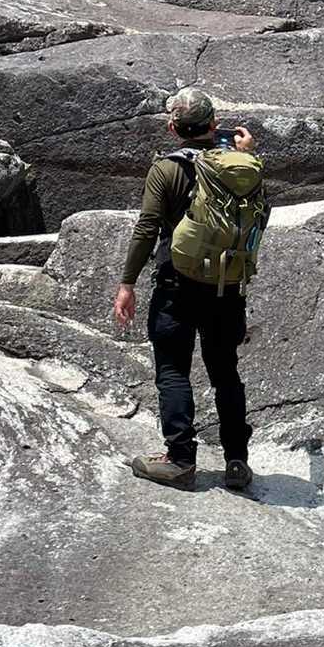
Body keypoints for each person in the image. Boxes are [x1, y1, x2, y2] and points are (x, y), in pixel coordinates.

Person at [113, 88, 266, 492]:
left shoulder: (166, 169)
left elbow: (147, 227)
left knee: (172, 370)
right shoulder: (240, 166)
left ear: (172, 128)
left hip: (176, 284)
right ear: (215, 125)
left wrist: (127, 282)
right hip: (225, 285)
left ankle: (180, 459)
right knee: (225, 372)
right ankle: (237, 461)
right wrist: (247, 155)